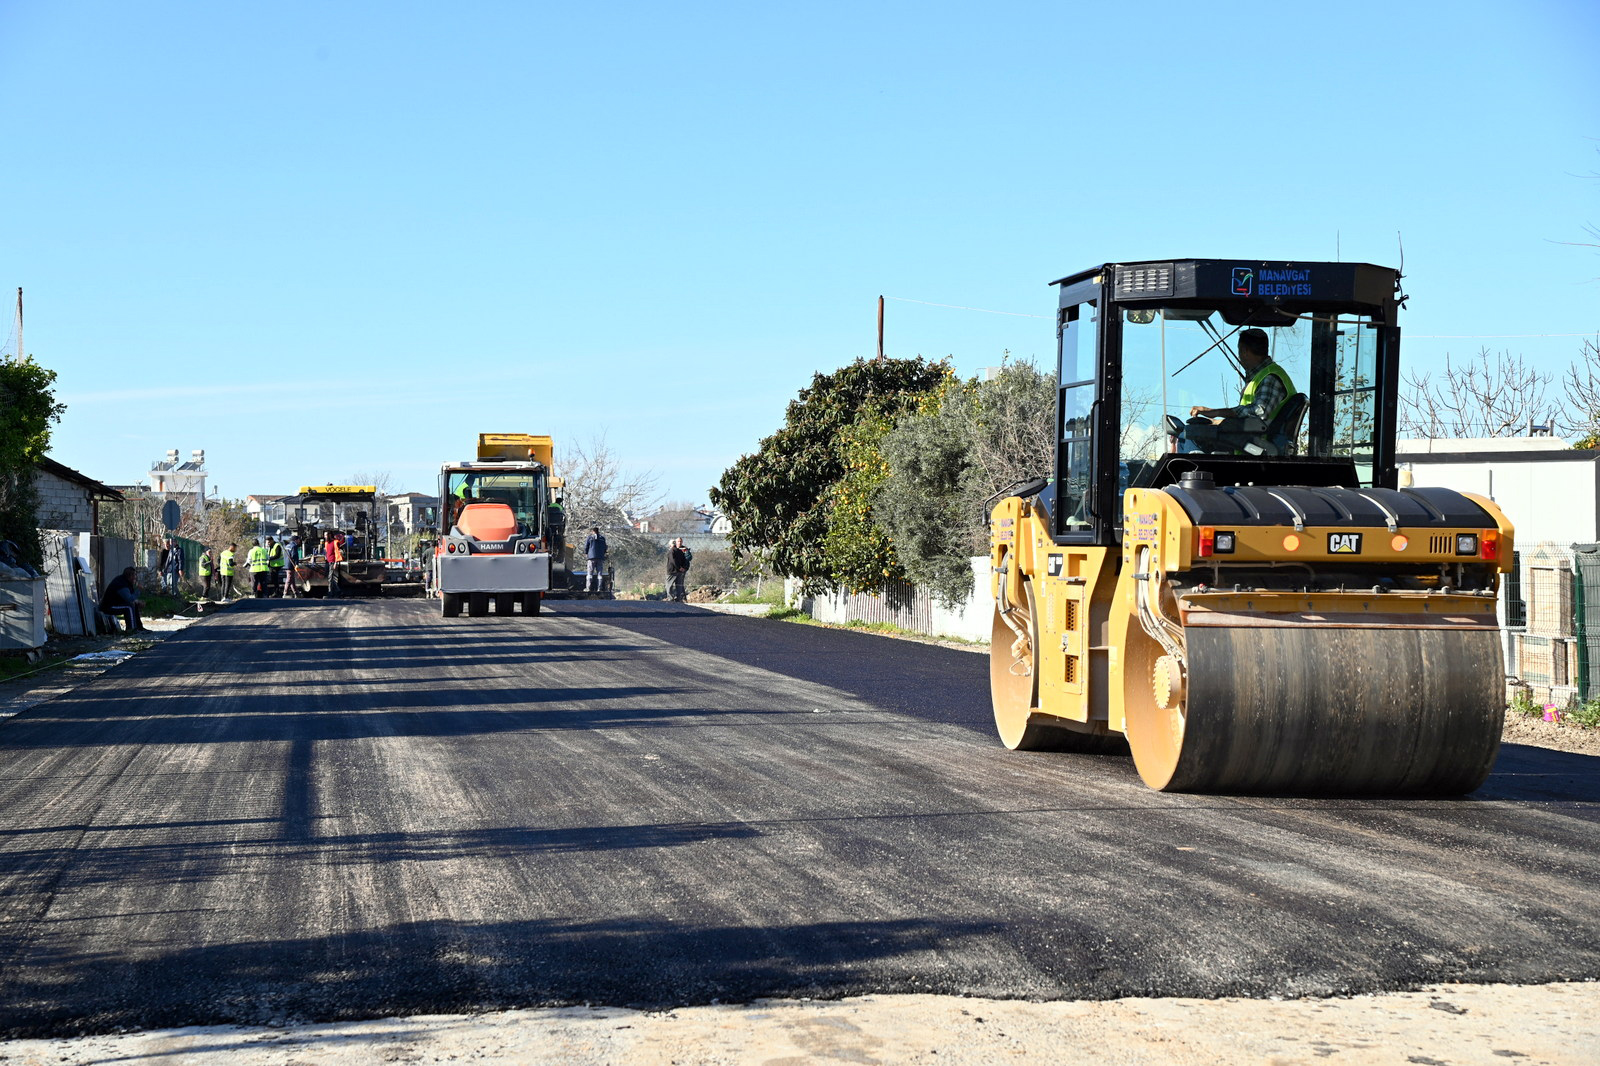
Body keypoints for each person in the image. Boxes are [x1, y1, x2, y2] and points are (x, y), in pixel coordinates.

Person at [1181, 328, 1295, 453]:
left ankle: (1191, 470)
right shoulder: (1263, 376)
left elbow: (1258, 413)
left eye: (1239, 350)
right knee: (1186, 433)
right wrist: (1217, 422)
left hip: (1257, 445)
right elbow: (1252, 419)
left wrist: (1215, 411)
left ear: (1244, 350)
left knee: (1190, 434)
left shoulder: (1270, 377)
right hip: (1250, 440)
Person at [99, 566, 145, 633]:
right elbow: (129, 599)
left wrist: (137, 602)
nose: (135, 578)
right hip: (109, 606)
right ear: (130, 576)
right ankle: (131, 629)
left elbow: (130, 598)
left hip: (116, 604)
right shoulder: (121, 583)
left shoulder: (127, 582)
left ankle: (139, 627)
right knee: (129, 607)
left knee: (133, 604)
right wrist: (138, 591)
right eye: (134, 575)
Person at [666, 538, 692, 603]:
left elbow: (673, 561)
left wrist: (681, 568)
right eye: (678, 541)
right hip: (680, 571)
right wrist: (682, 568)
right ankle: (679, 598)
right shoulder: (681, 551)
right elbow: (685, 559)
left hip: (672, 571)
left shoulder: (672, 551)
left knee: (669, 585)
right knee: (679, 585)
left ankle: (671, 598)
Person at [583, 526, 607, 593]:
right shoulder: (602, 538)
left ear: (592, 531)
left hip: (591, 558)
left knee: (590, 573)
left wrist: (586, 553)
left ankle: (588, 588)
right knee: (600, 573)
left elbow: (586, 547)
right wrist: (603, 554)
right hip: (600, 557)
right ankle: (599, 588)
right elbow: (605, 548)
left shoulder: (590, 538)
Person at [325, 529, 343, 598]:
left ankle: (330, 592)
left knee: (330, 578)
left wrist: (336, 562)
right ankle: (338, 591)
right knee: (331, 578)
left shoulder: (335, 542)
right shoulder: (327, 543)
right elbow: (327, 552)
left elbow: (337, 553)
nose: (325, 536)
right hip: (328, 561)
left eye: (326, 535)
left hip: (332, 562)